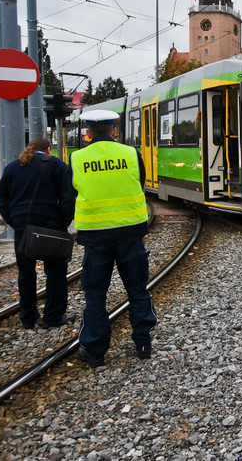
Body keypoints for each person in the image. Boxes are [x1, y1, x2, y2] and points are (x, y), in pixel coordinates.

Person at [70, 109, 155, 368]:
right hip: (130, 233)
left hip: (95, 238)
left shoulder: (76, 158)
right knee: (137, 290)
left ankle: (95, 351)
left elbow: (71, 191)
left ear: (88, 132)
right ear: (114, 130)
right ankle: (142, 343)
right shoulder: (131, 154)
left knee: (96, 294)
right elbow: (138, 183)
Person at [0, 138, 75, 328]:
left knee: (26, 273)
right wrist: (64, 222)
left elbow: (1, 199)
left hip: (23, 226)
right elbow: (67, 197)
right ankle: (52, 317)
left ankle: (28, 318)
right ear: (48, 149)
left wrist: (14, 221)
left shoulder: (13, 167)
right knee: (55, 272)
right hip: (50, 224)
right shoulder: (56, 164)